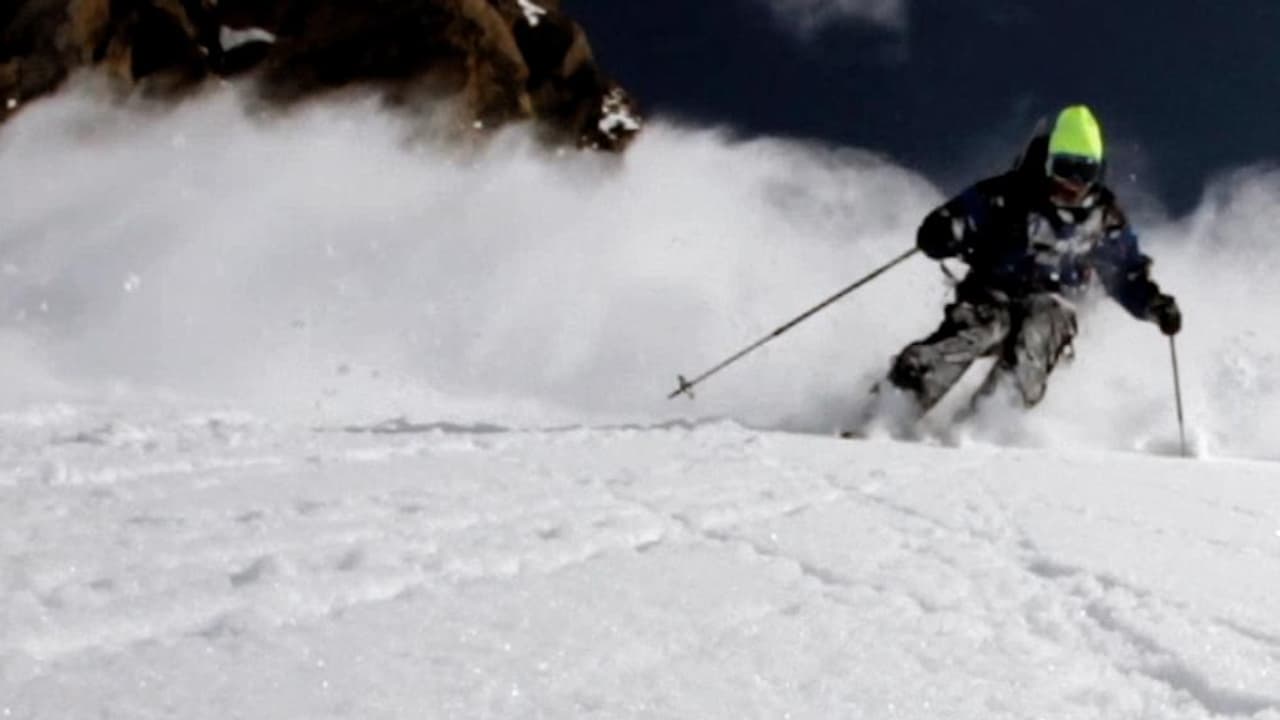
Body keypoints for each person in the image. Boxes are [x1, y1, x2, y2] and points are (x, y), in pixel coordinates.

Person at [881, 105, 1182, 419]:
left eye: (1085, 173)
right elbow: (961, 215)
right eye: (1065, 168)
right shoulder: (1012, 194)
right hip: (992, 292)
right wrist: (943, 232)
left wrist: (1154, 304)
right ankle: (896, 401)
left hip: (1056, 304)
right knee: (982, 328)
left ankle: (989, 419)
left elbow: (1125, 273)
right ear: (1049, 164)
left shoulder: (1103, 219)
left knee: (1041, 327)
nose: (1073, 183)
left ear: (1099, 173)